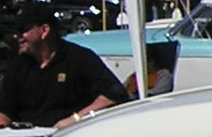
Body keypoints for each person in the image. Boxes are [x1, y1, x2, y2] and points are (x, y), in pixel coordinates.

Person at [0, 8, 128, 130]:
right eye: (15, 32)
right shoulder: (18, 64)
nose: (18, 37)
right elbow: (6, 109)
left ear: (44, 30)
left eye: (23, 30)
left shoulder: (79, 58)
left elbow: (113, 95)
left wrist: (76, 119)